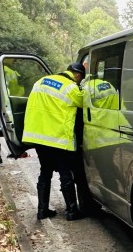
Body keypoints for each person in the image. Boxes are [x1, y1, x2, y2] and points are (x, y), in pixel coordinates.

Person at [22, 62, 86, 221]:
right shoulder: (71, 87)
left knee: (45, 171)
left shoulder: (41, 81)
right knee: (65, 172)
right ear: (77, 75)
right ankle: (72, 211)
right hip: (56, 137)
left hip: (37, 136)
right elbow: (84, 103)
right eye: (80, 79)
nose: (79, 82)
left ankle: (42, 210)